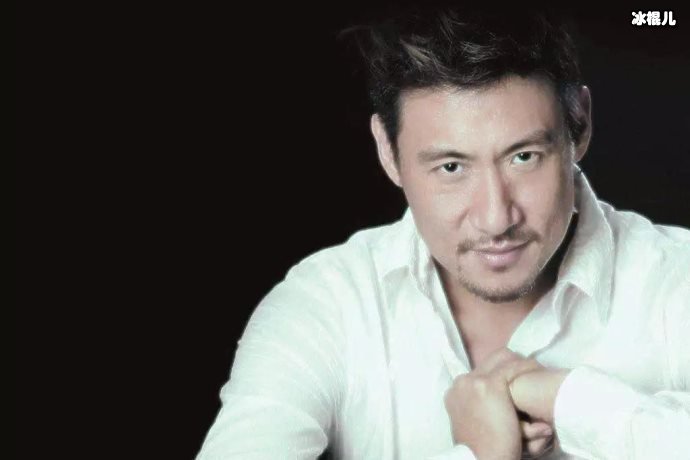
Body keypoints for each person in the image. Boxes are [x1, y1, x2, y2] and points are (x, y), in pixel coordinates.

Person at [197, 6, 690, 459]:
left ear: (578, 126)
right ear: (388, 152)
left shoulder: (676, 279)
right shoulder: (326, 308)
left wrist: (571, 403)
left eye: (524, 157)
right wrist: (479, 455)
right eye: (452, 167)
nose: (496, 218)